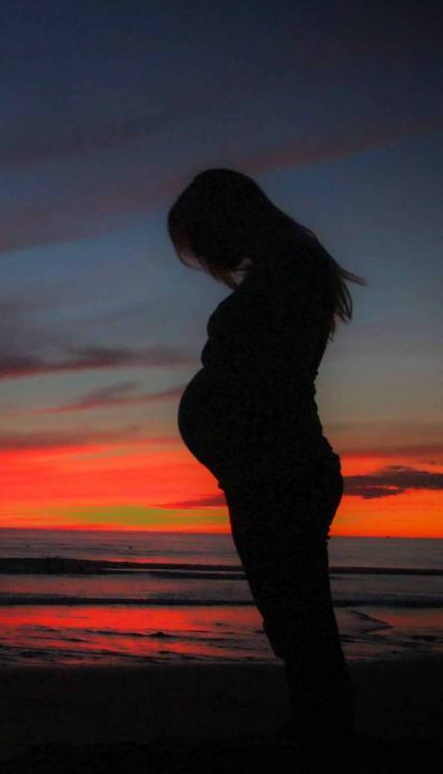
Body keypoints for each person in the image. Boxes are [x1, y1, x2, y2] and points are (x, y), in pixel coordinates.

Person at [168, 168, 365, 759]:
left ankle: (325, 740)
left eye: (200, 239)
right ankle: (319, 731)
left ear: (225, 215)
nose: (204, 256)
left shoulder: (292, 268)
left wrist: (221, 378)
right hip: (263, 467)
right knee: (292, 616)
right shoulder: (282, 268)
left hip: (279, 466)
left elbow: (269, 375)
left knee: (297, 616)